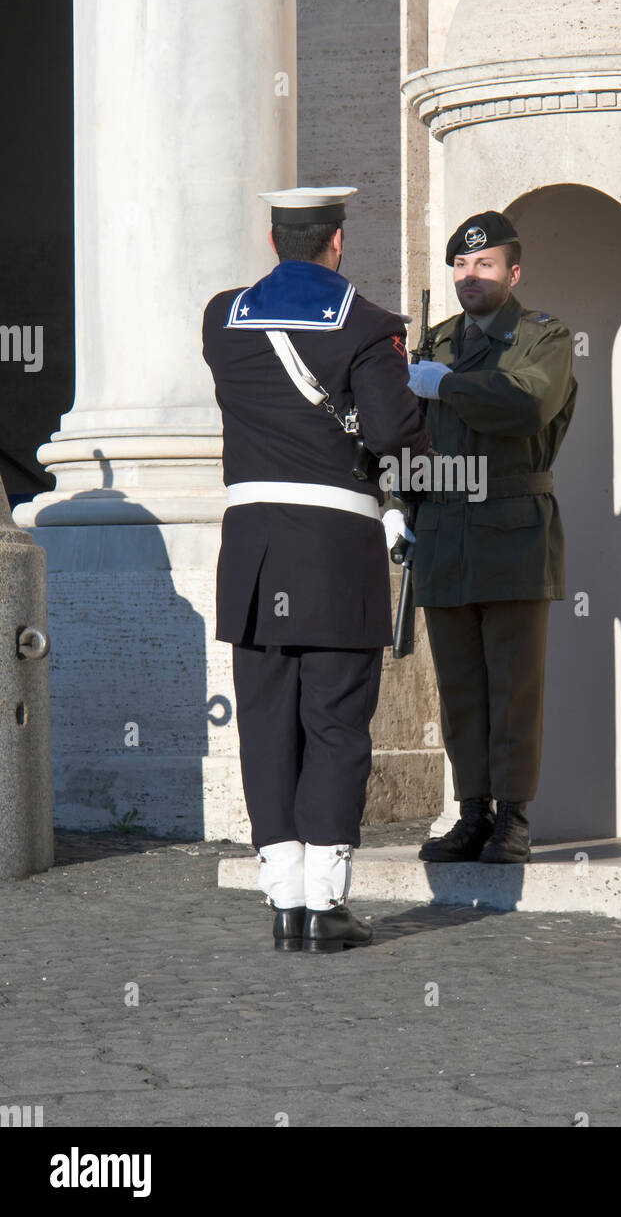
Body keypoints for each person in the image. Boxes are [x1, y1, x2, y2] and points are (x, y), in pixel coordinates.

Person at [202, 187, 427, 952]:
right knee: (334, 725)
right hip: (335, 549)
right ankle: (327, 906)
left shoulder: (221, 318)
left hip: (255, 547)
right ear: (337, 242)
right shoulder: (368, 325)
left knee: (266, 724)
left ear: (272, 240)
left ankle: (283, 904)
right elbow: (396, 434)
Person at [405, 210, 577, 864]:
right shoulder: (437, 342)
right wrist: (399, 504)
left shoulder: (543, 337)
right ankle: (471, 812)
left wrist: (448, 385)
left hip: (511, 530)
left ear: (513, 271)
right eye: (459, 265)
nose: (468, 275)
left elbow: (525, 404)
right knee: (461, 687)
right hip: (444, 531)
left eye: (483, 264)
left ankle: (512, 818)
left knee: (514, 685)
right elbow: (412, 436)